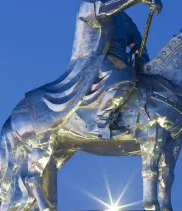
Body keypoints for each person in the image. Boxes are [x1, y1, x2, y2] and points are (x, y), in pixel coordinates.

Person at [25, 0, 163, 138]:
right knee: (122, 77)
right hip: (97, 59)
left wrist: (141, 59)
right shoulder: (90, 4)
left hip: (120, 59)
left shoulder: (121, 16)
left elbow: (136, 39)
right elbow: (102, 10)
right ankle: (101, 122)